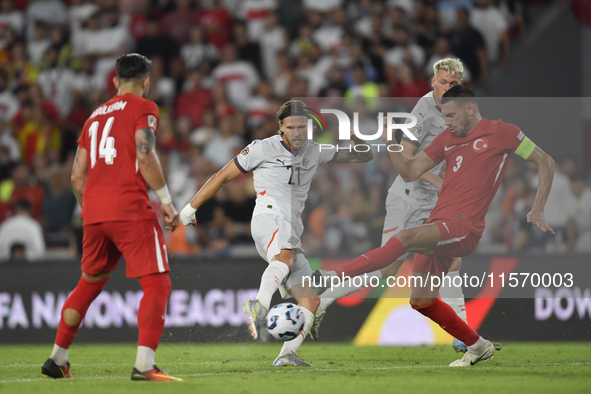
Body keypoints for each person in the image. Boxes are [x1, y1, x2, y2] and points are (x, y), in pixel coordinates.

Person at [314, 85, 555, 367]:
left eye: (451, 115)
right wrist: (391, 141)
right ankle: (478, 346)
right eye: (443, 115)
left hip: (465, 227)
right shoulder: (446, 138)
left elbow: (545, 161)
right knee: (422, 301)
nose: (447, 121)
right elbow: (409, 170)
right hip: (439, 224)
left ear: (470, 108)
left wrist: (537, 207)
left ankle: (331, 277)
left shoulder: (503, 132)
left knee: (405, 238)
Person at [180, 100, 373, 367]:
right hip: (268, 218)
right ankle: (258, 303)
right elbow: (222, 176)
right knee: (285, 256)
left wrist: (357, 136)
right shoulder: (262, 148)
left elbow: (364, 155)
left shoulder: (316, 151)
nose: (297, 132)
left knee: (310, 300)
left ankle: (286, 355)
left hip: (291, 230)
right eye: (291, 126)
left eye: (302, 126)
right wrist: (191, 207)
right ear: (280, 127)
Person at [315, 58, 478, 353]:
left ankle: (463, 337)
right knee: (388, 266)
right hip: (407, 199)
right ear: (433, 82)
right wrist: (442, 183)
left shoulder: (466, 111)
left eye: (454, 83)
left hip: (435, 204)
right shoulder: (423, 112)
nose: (448, 88)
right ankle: (322, 299)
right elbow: (407, 160)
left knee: (452, 260)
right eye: (443, 82)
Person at [41, 54, 181, 381]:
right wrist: (166, 201)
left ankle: (57, 359)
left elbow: (77, 176)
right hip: (129, 208)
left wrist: (91, 209)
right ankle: (145, 366)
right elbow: (145, 156)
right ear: (146, 82)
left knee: (89, 284)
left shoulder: (93, 117)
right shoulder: (144, 107)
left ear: (115, 81)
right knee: (158, 283)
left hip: (94, 213)